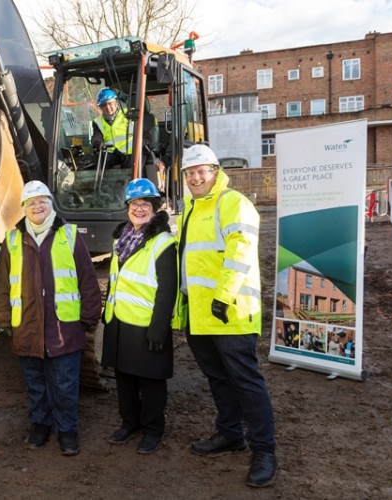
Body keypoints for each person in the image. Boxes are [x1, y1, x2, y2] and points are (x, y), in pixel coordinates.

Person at [173, 144, 277, 487]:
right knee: (217, 378)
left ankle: (265, 451)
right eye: (190, 173)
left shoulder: (232, 203)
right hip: (200, 315)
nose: (195, 177)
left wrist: (223, 297)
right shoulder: (190, 208)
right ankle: (230, 433)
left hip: (230, 313)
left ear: (216, 172)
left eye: (202, 171)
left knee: (246, 381)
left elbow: (240, 251)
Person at [0, 181, 102, 456]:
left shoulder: (69, 235)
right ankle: (39, 425)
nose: (37, 206)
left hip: (63, 327)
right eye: (31, 202)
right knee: (35, 384)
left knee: (65, 384)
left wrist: (90, 315)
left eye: (42, 201)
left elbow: (88, 280)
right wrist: (4, 319)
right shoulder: (14, 240)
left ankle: (67, 429)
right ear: (24, 208)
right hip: (26, 326)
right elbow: (1, 284)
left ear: (51, 203)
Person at [101, 178, 178, 455]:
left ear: (155, 207)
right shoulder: (120, 238)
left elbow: (168, 288)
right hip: (120, 320)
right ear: (127, 207)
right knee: (124, 378)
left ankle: (152, 429)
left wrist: (159, 328)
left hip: (147, 325)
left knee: (151, 381)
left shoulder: (162, 242)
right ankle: (129, 422)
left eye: (146, 204)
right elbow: (115, 278)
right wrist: (106, 312)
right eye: (135, 204)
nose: (140, 209)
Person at [91, 88, 131, 169]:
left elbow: (142, 131)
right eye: (104, 105)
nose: (107, 107)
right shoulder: (97, 121)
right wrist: (97, 142)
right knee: (101, 158)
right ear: (100, 108)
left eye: (110, 103)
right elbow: (97, 136)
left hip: (130, 152)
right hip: (113, 153)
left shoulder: (129, 114)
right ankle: (103, 182)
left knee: (131, 164)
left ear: (116, 103)